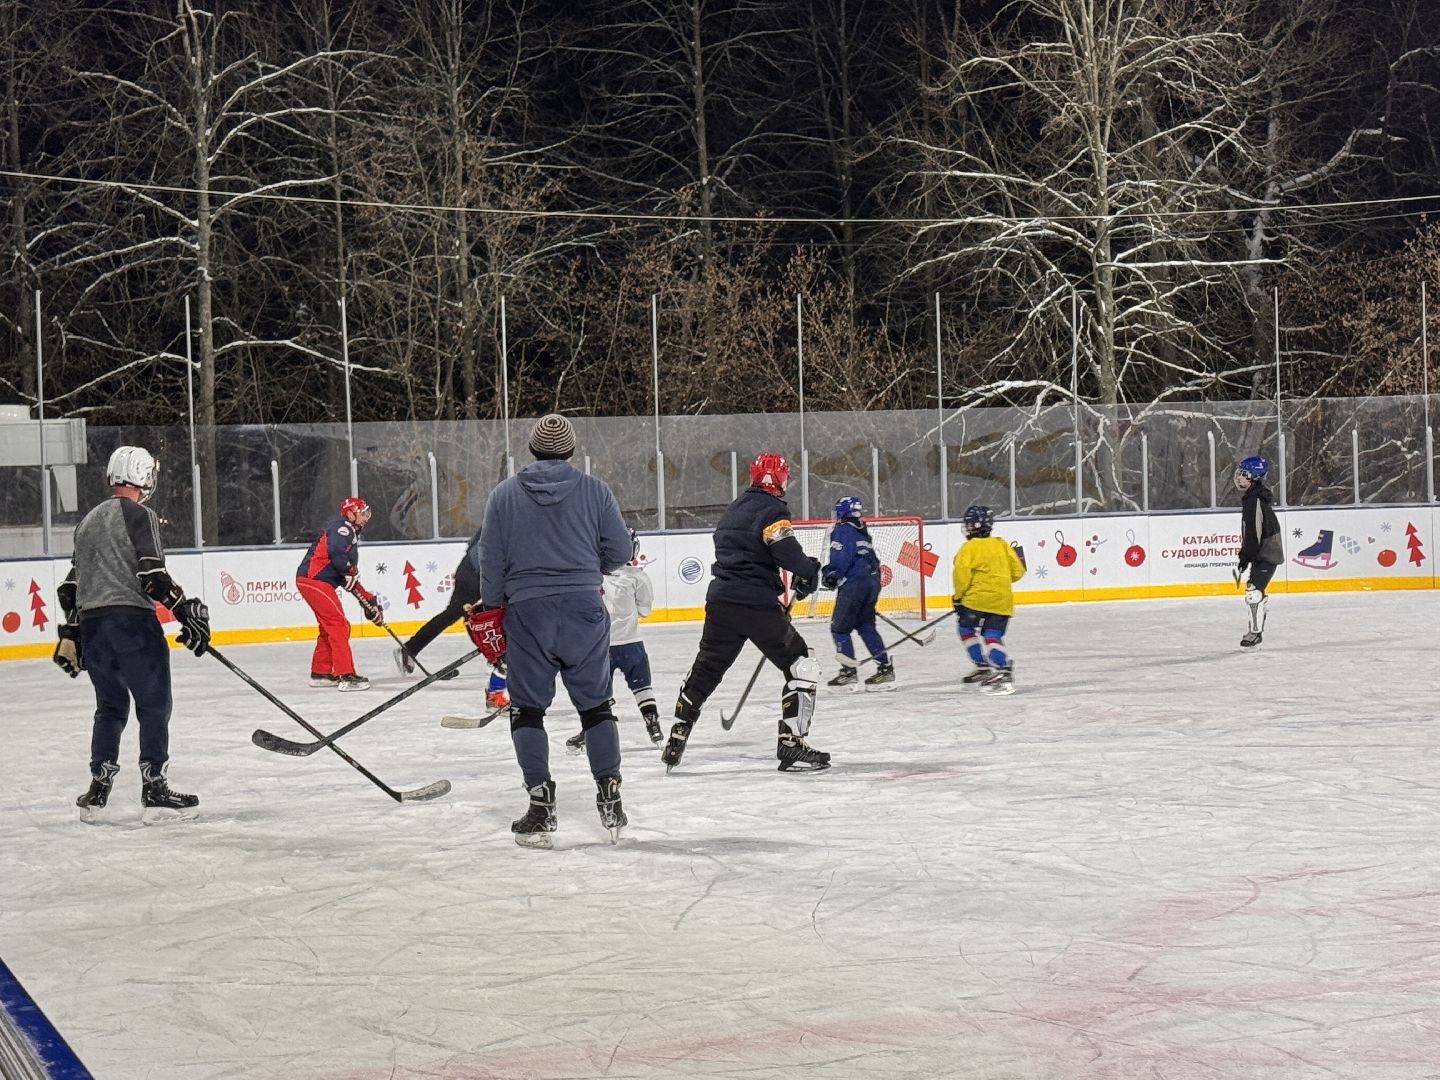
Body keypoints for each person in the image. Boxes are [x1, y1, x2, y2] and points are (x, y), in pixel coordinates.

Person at [478, 414, 633, 847]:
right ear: (569, 450)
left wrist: (493, 613)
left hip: (527, 613)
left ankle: (541, 805)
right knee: (597, 707)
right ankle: (610, 795)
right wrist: (588, 567)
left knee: (527, 710)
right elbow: (619, 552)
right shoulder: (595, 491)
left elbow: (490, 561)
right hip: (583, 609)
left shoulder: (503, 496)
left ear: (532, 449)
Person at [56, 446, 211, 823]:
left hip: (94, 630)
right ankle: (155, 788)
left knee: (110, 708)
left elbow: (69, 588)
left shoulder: (87, 521)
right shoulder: (141, 514)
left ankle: (98, 791)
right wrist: (183, 609)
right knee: (154, 704)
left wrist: (73, 633)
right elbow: (151, 576)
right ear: (142, 476)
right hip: (132, 626)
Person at [663, 452, 830, 772]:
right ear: (781, 480)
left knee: (707, 667)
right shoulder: (773, 510)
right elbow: (786, 553)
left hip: (721, 602)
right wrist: (807, 569)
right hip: (754, 604)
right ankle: (792, 744)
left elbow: (743, 554)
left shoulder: (734, 509)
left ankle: (678, 733)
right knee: (802, 665)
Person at [392, 524, 510, 709]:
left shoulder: (505, 511)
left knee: (467, 615)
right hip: (475, 573)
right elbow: (482, 552)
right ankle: (496, 658)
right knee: (475, 613)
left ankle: (411, 648)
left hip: (473, 570)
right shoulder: (506, 516)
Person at [565, 529, 662, 753]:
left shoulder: (589, 575)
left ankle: (590, 732)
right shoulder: (637, 576)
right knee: (642, 688)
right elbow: (645, 611)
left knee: (598, 695)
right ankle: (653, 725)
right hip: (631, 644)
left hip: (599, 647)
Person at [296, 496, 384, 691]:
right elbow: (338, 555)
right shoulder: (342, 528)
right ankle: (346, 675)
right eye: (362, 513)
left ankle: (320, 673)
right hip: (314, 581)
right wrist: (348, 569)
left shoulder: (349, 532)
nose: (366, 518)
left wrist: (369, 602)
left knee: (330, 626)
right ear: (351, 513)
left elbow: (348, 579)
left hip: (313, 581)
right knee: (338, 624)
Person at [820, 496, 894, 691]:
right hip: (871, 583)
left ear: (843, 512)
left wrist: (831, 575)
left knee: (840, 628)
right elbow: (873, 562)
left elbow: (841, 557)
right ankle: (885, 669)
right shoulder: (862, 531)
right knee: (865, 626)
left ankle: (848, 673)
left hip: (854, 585)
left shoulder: (843, 530)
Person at [951, 504, 1026, 695]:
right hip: (1003, 600)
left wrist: (958, 598)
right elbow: (1018, 572)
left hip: (975, 600)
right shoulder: (1002, 544)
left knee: (966, 629)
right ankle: (1003, 669)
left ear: (973, 526)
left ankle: (983, 666)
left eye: (968, 524)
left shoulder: (968, 548)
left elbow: (962, 576)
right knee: (992, 636)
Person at [1234, 455, 1284, 648]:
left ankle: (1255, 633)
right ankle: (1256, 627)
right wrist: (1246, 554)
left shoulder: (1254, 500)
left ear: (1254, 477)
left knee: (1253, 591)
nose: (1239, 478)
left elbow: (1254, 533)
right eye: (1239, 474)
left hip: (1267, 553)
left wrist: (1246, 555)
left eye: (1243, 475)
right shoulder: (1252, 498)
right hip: (1263, 552)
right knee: (1254, 590)